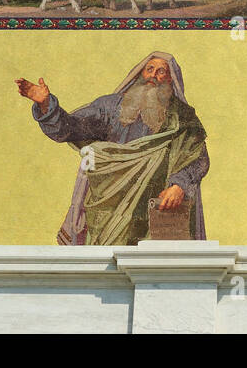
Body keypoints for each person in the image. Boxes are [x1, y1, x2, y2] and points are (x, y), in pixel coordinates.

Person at [15, 52, 209, 245]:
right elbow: (71, 127)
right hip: (109, 208)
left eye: (161, 72)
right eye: (149, 69)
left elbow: (197, 156)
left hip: (157, 212)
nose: (153, 76)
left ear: (170, 79)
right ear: (140, 74)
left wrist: (179, 185)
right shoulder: (110, 107)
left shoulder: (182, 117)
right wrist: (46, 106)